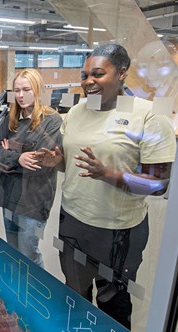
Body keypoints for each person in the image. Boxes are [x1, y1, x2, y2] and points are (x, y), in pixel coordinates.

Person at [37, 44, 176, 329]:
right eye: (85, 75)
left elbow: (159, 184)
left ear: (122, 73)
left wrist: (108, 173)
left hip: (118, 231)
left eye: (98, 74)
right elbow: (76, 165)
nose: (89, 81)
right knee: (74, 295)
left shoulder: (149, 115)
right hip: (74, 221)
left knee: (113, 304)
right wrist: (58, 162)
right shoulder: (76, 112)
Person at [0, 68, 62, 268]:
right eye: (17, 90)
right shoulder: (10, 119)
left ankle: (34, 295)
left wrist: (10, 154)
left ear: (37, 90)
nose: (20, 95)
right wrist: (19, 157)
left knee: (29, 255)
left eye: (26, 89)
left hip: (33, 202)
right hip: (9, 196)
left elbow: (39, 163)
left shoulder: (52, 121)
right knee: (12, 251)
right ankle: (17, 293)